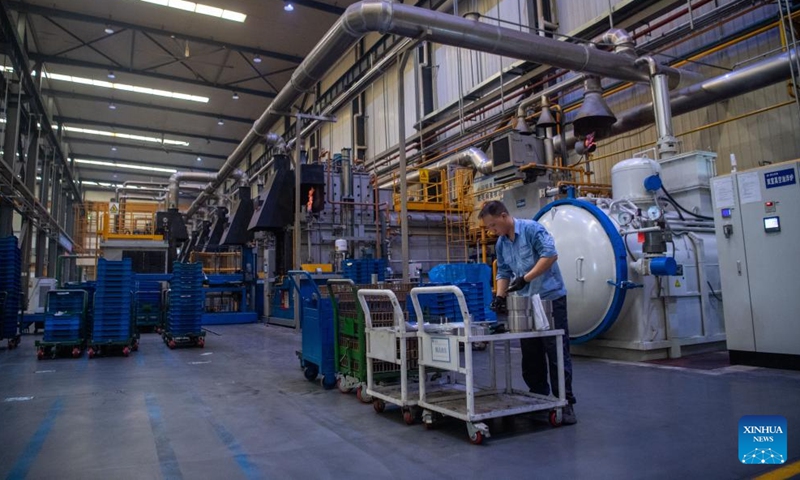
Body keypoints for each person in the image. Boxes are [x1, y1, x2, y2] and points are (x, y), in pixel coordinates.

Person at [479, 200, 577, 425]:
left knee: (556, 351)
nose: (492, 231)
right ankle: (539, 398)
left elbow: (550, 255)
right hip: (525, 302)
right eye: (489, 227)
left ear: (504, 216)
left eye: (493, 225)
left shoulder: (532, 230)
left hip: (549, 298)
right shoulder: (502, 243)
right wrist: (500, 296)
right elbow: (503, 271)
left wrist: (526, 278)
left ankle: (566, 403)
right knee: (531, 353)